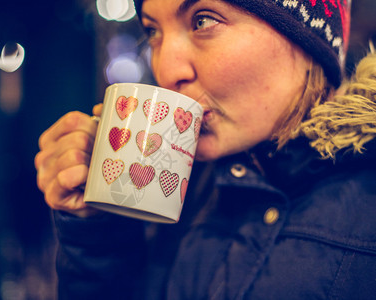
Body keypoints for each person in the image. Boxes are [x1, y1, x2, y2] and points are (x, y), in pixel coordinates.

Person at [34, 0, 376, 299]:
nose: (165, 71)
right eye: (153, 31)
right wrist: (97, 230)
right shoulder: (188, 183)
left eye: (203, 20)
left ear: (307, 38)